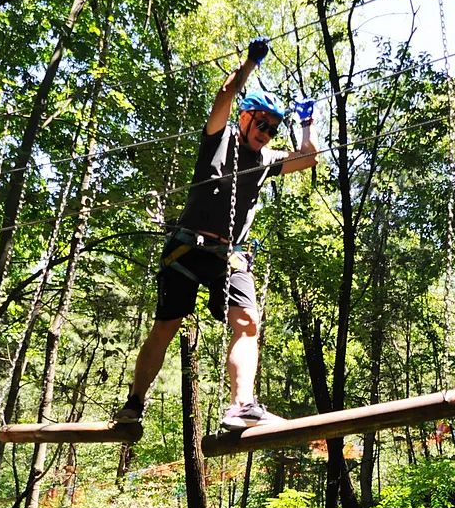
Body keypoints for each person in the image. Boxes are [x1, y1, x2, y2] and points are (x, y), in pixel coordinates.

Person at [115, 37, 318, 430]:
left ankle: (242, 405)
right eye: (262, 123)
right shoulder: (218, 141)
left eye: (273, 129)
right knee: (166, 326)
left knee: (248, 324)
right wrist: (249, 65)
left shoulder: (266, 161)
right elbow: (225, 93)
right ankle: (134, 405)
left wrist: (307, 122)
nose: (267, 133)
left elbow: (308, 158)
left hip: (230, 255)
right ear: (245, 118)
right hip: (187, 249)